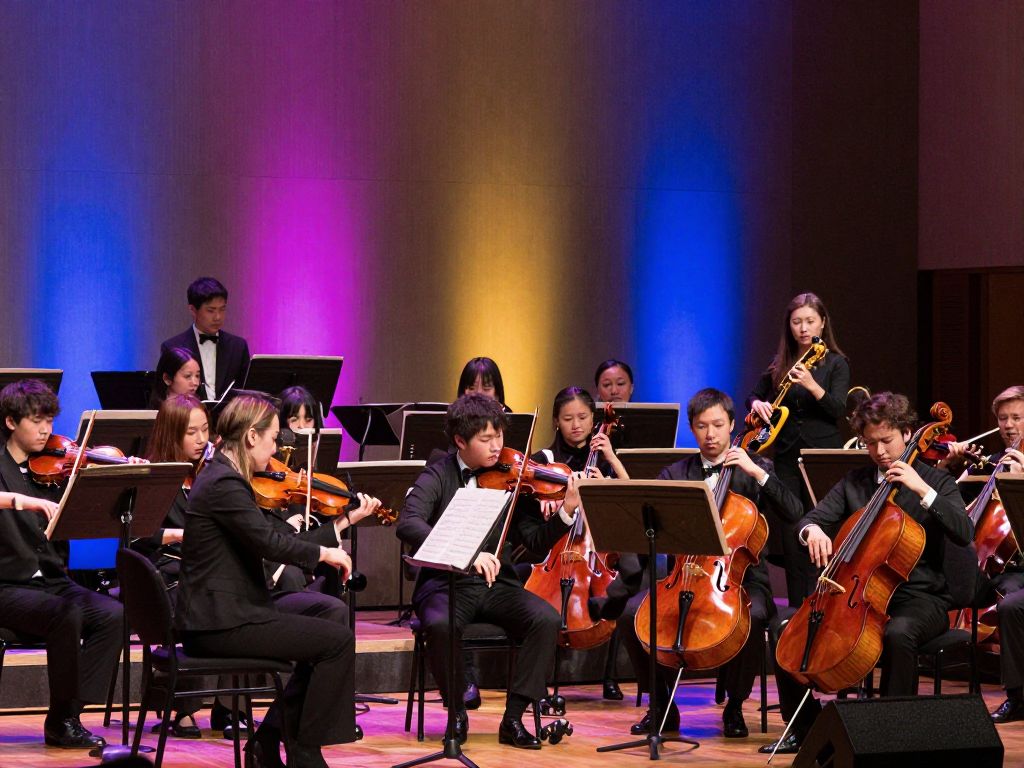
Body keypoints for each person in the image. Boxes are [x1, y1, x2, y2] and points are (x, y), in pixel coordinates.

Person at [760, 392, 973, 755]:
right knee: (785, 629)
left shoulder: (935, 482)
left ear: (908, 433)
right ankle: (805, 727)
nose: (878, 451)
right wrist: (812, 532)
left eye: (886, 441)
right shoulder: (854, 482)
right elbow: (809, 521)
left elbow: (963, 531)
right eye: (870, 443)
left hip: (919, 597)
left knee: (898, 633)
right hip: (855, 594)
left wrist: (921, 489)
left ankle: (892, 732)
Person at [176, 394, 375, 768]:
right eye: (272, 440)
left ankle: (267, 741)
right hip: (221, 622)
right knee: (337, 644)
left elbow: (278, 540)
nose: (276, 450)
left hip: (237, 608)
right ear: (251, 437)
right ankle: (304, 752)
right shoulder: (224, 484)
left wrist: (335, 530)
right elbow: (269, 544)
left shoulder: (228, 477)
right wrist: (325, 554)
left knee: (329, 618)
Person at [606, 388, 802, 739]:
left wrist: (757, 473)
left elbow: (794, 512)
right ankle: (663, 706)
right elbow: (649, 524)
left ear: (731, 426)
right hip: (682, 577)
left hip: (740, 580)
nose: (710, 434)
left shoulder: (756, 469)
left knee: (754, 616)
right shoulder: (676, 473)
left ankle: (736, 706)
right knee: (629, 614)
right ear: (692, 430)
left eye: (717, 425)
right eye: (701, 426)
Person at [397, 394, 583, 749]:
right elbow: (409, 524)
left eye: (499, 436)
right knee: (440, 624)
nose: (497, 446)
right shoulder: (437, 474)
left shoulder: (512, 477)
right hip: (445, 583)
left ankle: (513, 718)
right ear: (460, 441)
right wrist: (467, 553)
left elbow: (535, 541)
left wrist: (566, 512)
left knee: (544, 619)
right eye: (485, 439)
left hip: (497, 584)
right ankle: (456, 713)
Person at [0, 379, 123, 749]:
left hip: (52, 580)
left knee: (113, 614)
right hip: (8, 585)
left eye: (50, 421)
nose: (46, 430)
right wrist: (25, 501)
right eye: (36, 421)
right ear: (10, 422)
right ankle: (63, 719)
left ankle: (67, 712)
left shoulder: (53, 470)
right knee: (65, 613)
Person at [747, 292, 850, 606]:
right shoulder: (780, 363)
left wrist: (811, 384)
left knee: (824, 526)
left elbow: (837, 409)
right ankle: (795, 607)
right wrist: (758, 404)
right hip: (787, 456)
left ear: (822, 322)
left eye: (809, 321)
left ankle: (827, 605)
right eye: (796, 322)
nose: (803, 328)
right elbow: (753, 395)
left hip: (823, 457)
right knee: (793, 529)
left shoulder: (836, 362)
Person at [534, 386, 629, 701]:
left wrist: (612, 460)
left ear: (594, 419)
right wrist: (543, 501)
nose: (576, 425)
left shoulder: (603, 460)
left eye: (583, 417)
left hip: (594, 551)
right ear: (556, 422)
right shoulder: (545, 460)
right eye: (567, 418)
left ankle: (610, 674)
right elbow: (528, 505)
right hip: (555, 548)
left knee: (622, 580)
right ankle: (541, 676)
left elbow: (632, 500)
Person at [943, 385, 1024, 723]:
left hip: (1018, 571)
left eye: (1017, 417)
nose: (1009, 425)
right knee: (942, 586)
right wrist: (952, 468)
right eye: (1003, 418)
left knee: (1010, 605)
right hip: (1000, 566)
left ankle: (1017, 697)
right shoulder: (992, 463)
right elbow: (953, 508)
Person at [159, 276, 251, 401]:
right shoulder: (173, 347)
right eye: (210, 310)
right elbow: (166, 393)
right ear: (193, 310)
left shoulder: (238, 346)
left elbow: (245, 391)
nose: (218, 317)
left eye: (222, 309)